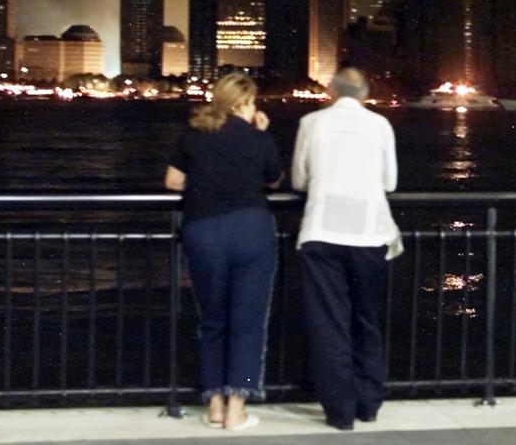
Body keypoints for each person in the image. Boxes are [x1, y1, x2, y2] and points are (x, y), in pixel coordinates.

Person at [164, 72, 283, 432]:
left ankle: (214, 405)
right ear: (244, 104)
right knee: (247, 323)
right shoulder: (257, 138)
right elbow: (274, 179)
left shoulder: (193, 134)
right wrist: (260, 133)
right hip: (250, 230)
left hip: (203, 232)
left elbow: (172, 181)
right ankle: (237, 410)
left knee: (213, 320)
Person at [292, 67, 402, 431]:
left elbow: (299, 179)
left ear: (331, 92)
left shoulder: (312, 122)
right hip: (369, 234)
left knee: (329, 325)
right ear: (365, 93)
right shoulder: (380, 125)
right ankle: (369, 403)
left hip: (322, 232)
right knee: (367, 320)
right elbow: (390, 181)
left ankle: (339, 412)